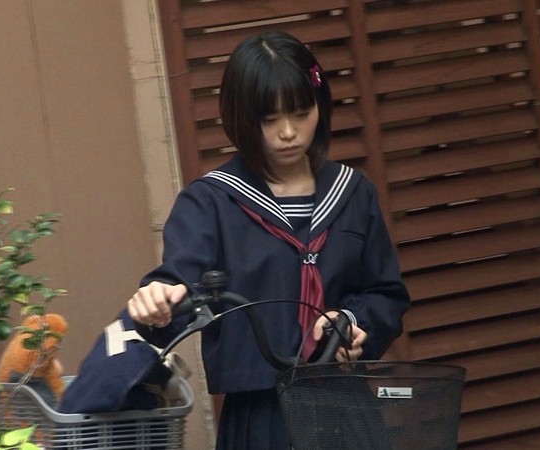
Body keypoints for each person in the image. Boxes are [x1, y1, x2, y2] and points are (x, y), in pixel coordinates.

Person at [127, 31, 410, 449]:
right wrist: (156, 301)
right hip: (259, 417)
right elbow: (178, 283)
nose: (289, 132)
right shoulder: (212, 201)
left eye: (301, 112)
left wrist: (353, 322)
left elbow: (386, 294)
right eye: (269, 119)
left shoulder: (354, 193)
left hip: (349, 409)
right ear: (240, 118)